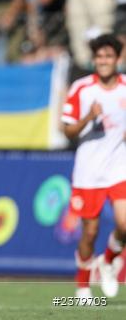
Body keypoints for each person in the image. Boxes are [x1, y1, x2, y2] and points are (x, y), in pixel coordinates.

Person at [62, 34, 126, 301]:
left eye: (108, 56)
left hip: (118, 167)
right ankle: (82, 286)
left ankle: (109, 260)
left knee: (125, 223)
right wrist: (89, 116)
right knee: (90, 232)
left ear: (117, 59)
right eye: (99, 57)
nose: (103, 61)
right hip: (88, 171)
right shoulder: (82, 89)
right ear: (94, 60)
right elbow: (67, 130)